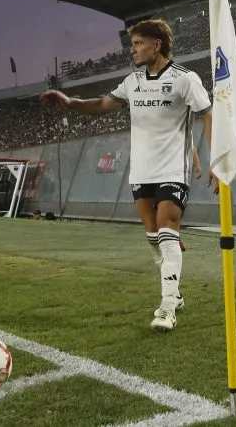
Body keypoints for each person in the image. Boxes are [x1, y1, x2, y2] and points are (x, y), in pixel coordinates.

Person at [41, 18, 214, 332]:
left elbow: (207, 115)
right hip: (142, 171)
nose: (132, 50)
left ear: (156, 44)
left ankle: (166, 308)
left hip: (174, 168)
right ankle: (174, 292)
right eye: (132, 44)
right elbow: (102, 104)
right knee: (154, 239)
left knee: (166, 230)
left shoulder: (185, 79)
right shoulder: (132, 81)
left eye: (138, 44)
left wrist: (214, 159)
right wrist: (70, 103)